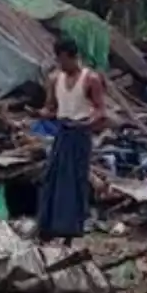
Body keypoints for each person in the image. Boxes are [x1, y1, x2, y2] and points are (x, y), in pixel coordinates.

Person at [38, 38, 106, 246]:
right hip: (63, 133)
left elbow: (100, 109)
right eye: (58, 60)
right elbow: (50, 107)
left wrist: (88, 122)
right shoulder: (54, 79)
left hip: (80, 134)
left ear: (73, 57)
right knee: (53, 178)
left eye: (62, 60)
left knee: (75, 181)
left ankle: (71, 230)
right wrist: (42, 113)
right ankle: (49, 227)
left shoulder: (91, 79)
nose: (60, 64)